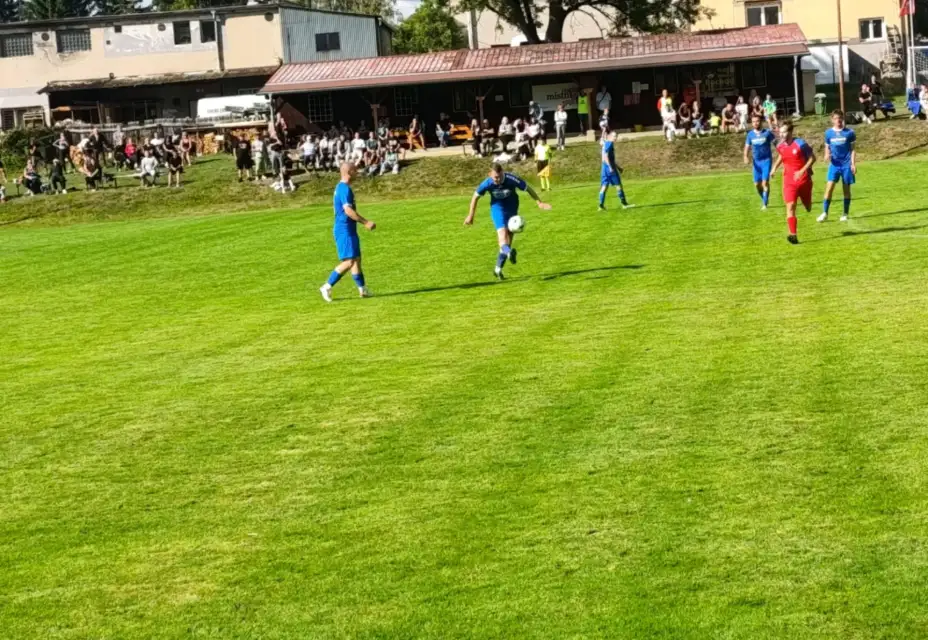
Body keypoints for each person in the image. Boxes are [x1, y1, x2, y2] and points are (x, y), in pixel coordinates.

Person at [465, 163, 551, 280]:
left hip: (512, 210)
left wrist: (539, 202)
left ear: (503, 172)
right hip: (497, 209)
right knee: (502, 235)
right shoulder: (487, 183)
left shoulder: (512, 179)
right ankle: (509, 253)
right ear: (490, 174)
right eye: (495, 177)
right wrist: (471, 216)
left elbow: (528, 188)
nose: (498, 180)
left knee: (507, 242)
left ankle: (498, 269)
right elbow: (475, 197)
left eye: (500, 176)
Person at [319, 162, 375, 302]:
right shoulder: (344, 189)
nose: (357, 173)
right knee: (349, 261)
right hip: (344, 229)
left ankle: (362, 289)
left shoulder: (342, 188)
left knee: (356, 259)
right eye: (355, 171)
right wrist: (366, 222)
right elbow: (348, 211)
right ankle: (326, 286)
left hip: (349, 229)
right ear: (349, 172)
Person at [771, 120, 816, 244]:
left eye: (784, 132)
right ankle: (793, 234)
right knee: (790, 206)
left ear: (790, 132)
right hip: (789, 180)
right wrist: (774, 168)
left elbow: (813, 158)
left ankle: (807, 202)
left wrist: (802, 170)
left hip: (804, 180)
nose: (781, 135)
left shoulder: (801, 144)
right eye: (780, 132)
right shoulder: (780, 145)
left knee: (807, 205)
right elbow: (782, 155)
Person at [818, 109, 857, 223]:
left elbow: (853, 150)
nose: (838, 120)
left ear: (843, 119)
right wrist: (826, 155)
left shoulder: (849, 133)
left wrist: (853, 164)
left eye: (840, 118)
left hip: (846, 165)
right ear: (832, 120)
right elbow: (827, 147)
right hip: (834, 165)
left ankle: (845, 213)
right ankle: (825, 213)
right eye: (835, 118)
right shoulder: (828, 133)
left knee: (846, 190)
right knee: (829, 188)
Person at [743, 113, 776, 210]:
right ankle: (764, 198)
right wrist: (745, 156)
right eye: (753, 122)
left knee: (764, 183)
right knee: (757, 184)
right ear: (752, 123)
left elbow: (776, 143)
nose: (755, 123)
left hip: (766, 161)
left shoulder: (767, 133)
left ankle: (765, 204)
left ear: (761, 122)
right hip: (756, 163)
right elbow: (747, 147)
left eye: (757, 121)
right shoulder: (750, 135)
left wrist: (783, 151)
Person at [598, 130, 634, 211]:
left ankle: (600, 205)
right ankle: (624, 204)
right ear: (610, 136)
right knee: (618, 186)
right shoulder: (609, 143)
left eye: (616, 136)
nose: (615, 138)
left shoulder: (605, 143)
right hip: (609, 168)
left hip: (604, 168)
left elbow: (608, 158)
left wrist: (618, 167)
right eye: (614, 136)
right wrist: (611, 167)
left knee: (604, 186)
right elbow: (606, 156)